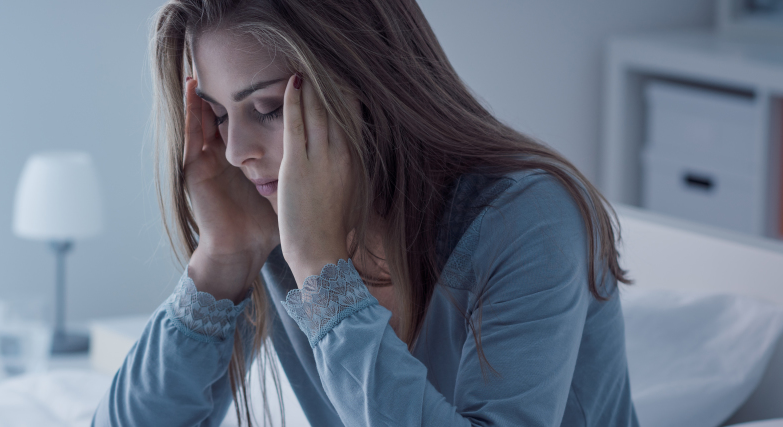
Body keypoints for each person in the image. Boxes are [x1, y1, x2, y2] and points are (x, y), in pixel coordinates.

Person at [93, 0, 639, 425]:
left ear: (370, 87)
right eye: (217, 116)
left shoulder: (530, 219)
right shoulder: (275, 224)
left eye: (267, 109)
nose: (235, 152)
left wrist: (323, 278)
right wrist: (224, 256)